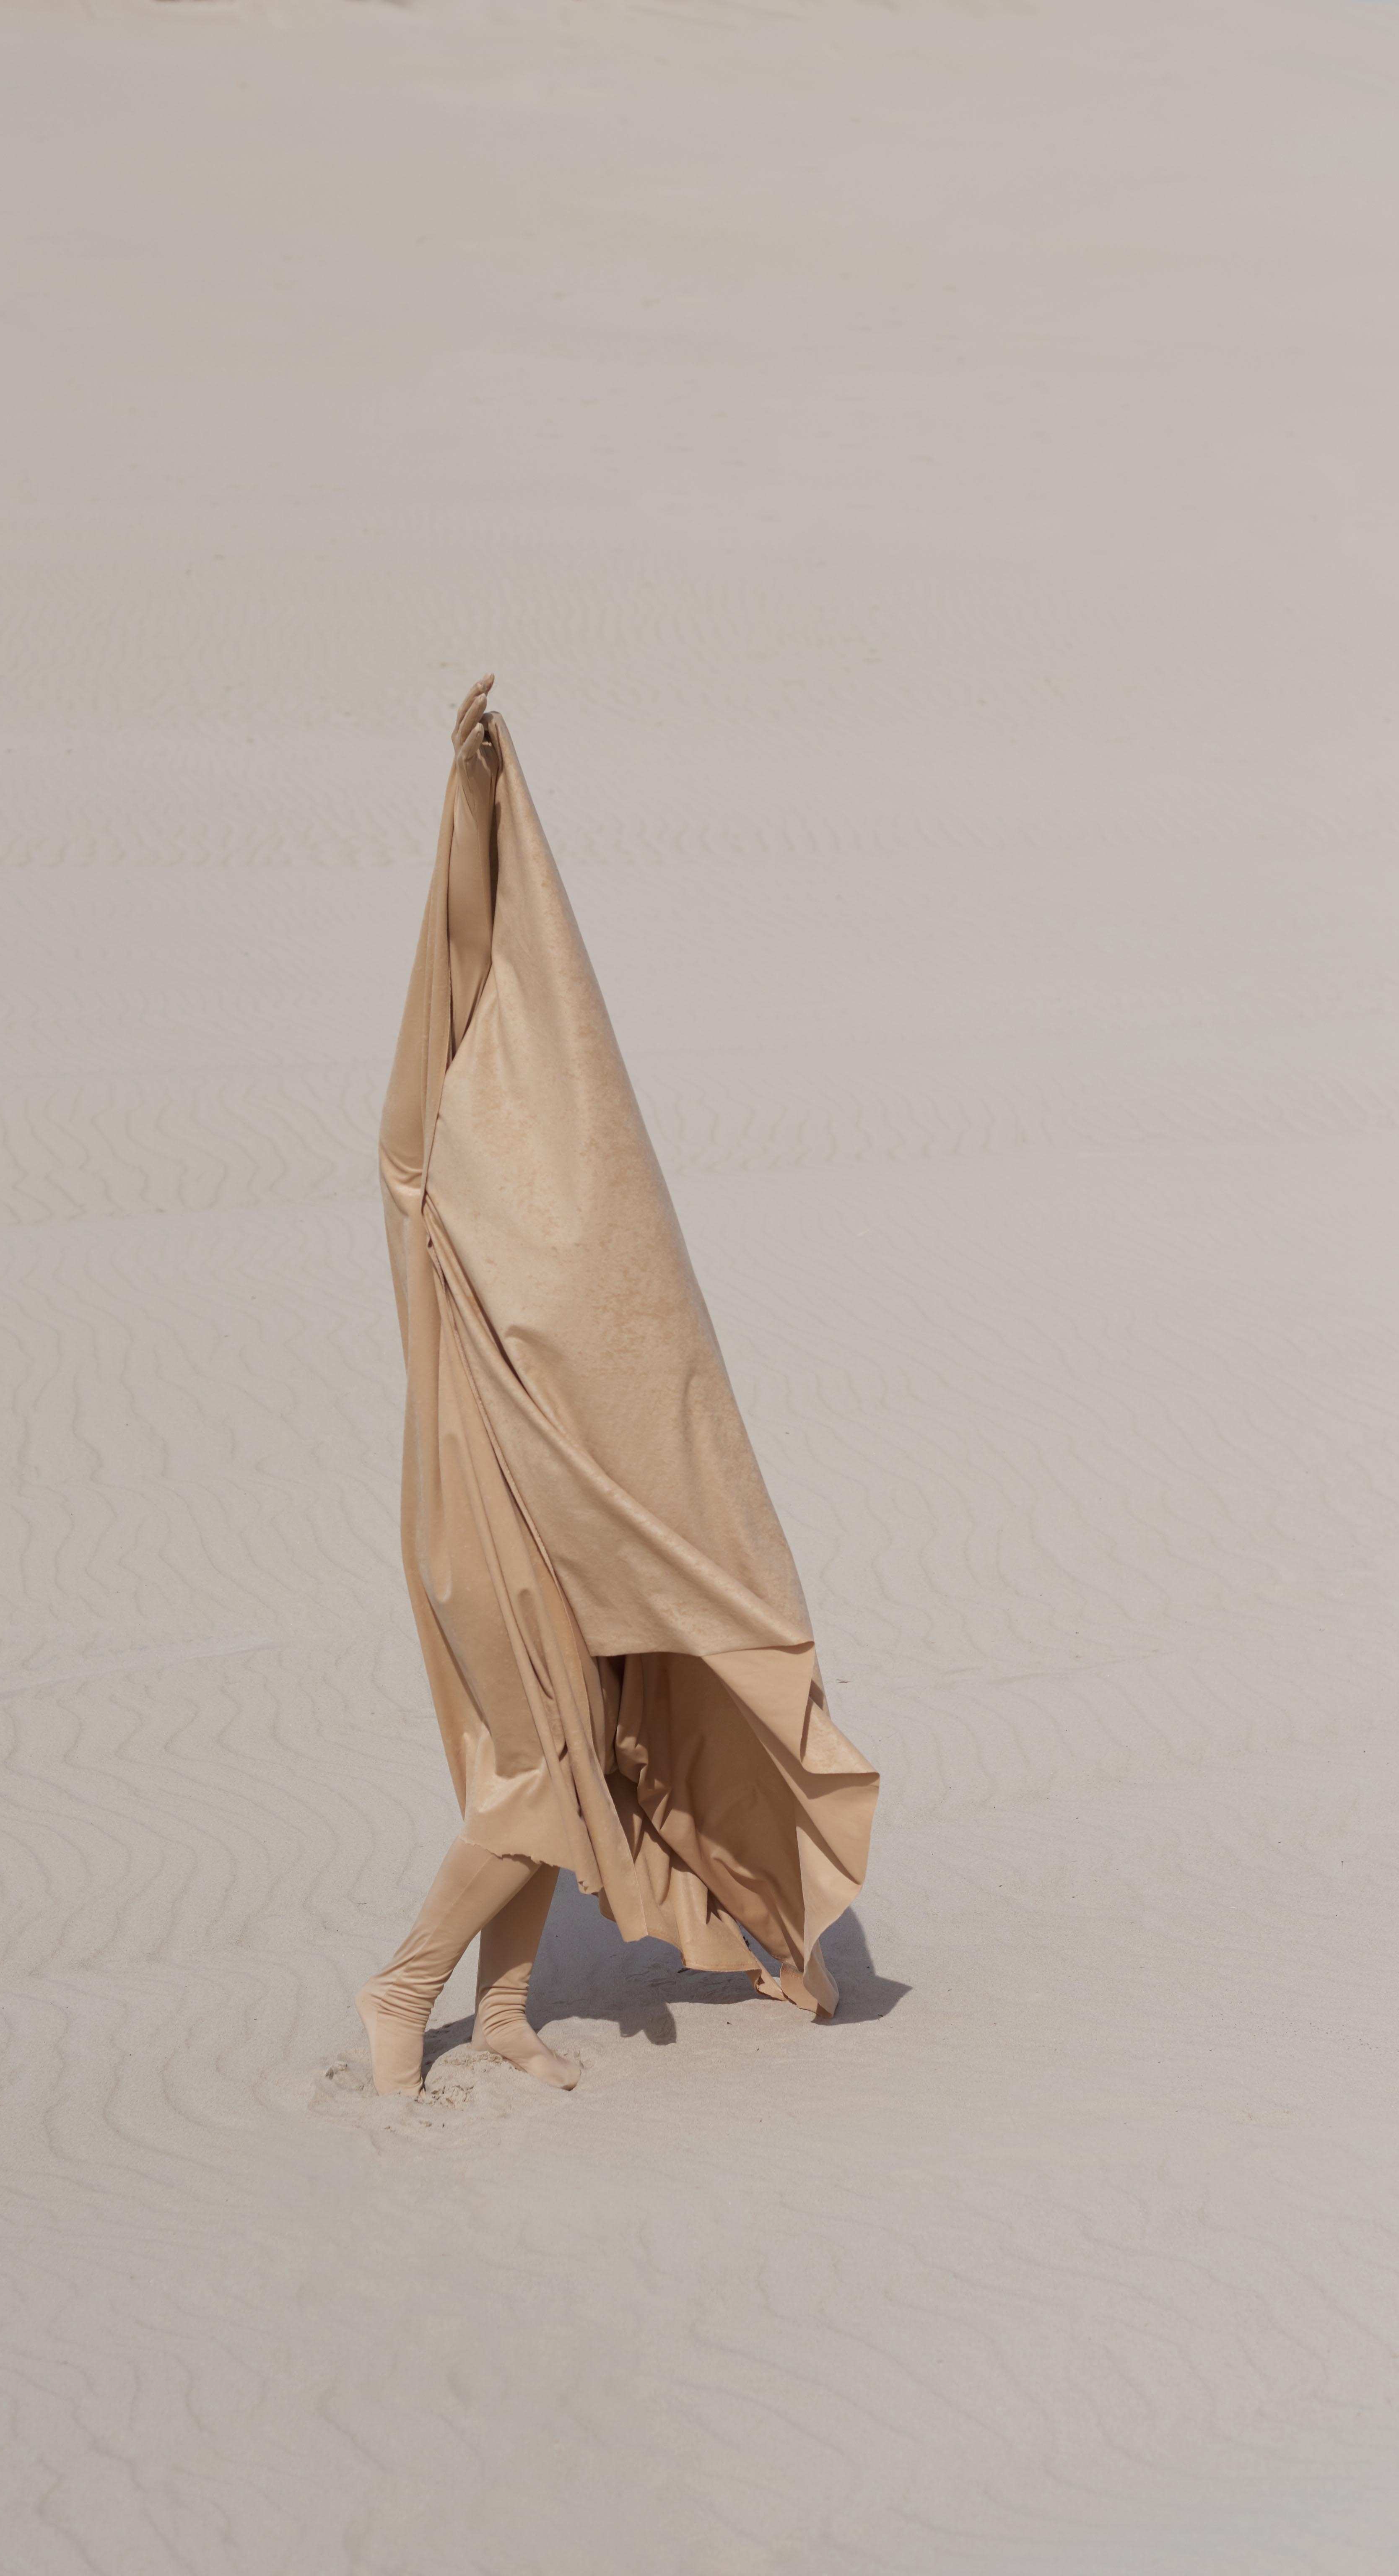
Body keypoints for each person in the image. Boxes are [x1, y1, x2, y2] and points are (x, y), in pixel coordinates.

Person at [359, 678, 878, 2096]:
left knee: (568, 1763)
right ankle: (401, 1991)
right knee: (541, 1774)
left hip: (559, 1520)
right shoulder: (429, 1193)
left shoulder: (551, 1223)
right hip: (482, 1517)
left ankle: (503, 2011)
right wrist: (472, 803)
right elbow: (449, 982)